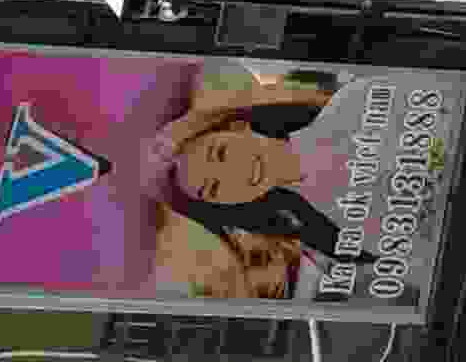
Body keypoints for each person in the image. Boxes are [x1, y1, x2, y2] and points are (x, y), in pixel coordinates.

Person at [144, 64, 345, 304]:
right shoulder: (313, 230)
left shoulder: (333, 117)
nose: (234, 173)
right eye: (214, 188)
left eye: (221, 153)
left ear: (237, 127)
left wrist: (187, 124)